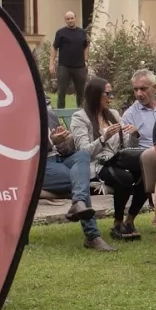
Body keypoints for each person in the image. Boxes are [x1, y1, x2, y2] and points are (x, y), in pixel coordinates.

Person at [71, 78, 145, 241]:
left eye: (112, 93)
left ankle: (129, 220)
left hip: (118, 160)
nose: (111, 97)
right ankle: (118, 223)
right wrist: (103, 138)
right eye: (107, 93)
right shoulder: (80, 118)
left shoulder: (114, 114)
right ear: (95, 94)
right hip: (97, 165)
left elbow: (125, 145)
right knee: (125, 177)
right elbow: (84, 152)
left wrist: (134, 135)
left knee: (146, 173)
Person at [43, 100, 115, 251]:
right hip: (39, 165)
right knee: (79, 181)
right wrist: (51, 142)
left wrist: (63, 141)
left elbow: (66, 150)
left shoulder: (49, 115)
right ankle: (92, 236)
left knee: (82, 154)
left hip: (60, 159)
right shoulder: (18, 119)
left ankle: (79, 204)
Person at [120, 69, 156, 148]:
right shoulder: (129, 115)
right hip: (145, 153)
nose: (139, 94)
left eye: (143, 89)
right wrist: (134, 136)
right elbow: (126, 148)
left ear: (154, 88)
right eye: (135, 89)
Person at [50, 11, 90, 109]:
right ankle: (60, 113)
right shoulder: (60, 33)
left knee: (81, 92)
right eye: (68, 19)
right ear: (65, 20)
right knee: (61, 92)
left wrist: (86, 60)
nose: (70, 20)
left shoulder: (82, 32)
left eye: (72, 18)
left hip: (79, 66)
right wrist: (51, 63)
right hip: (64, 66)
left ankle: (81, 112)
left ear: (75, 18)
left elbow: (86, 46)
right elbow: (54, 48)